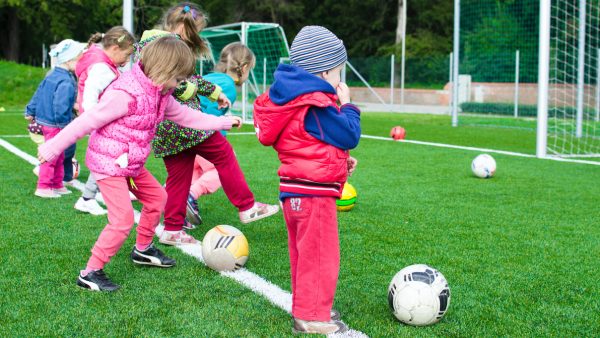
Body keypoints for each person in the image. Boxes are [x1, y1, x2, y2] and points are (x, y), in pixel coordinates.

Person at [37, 36, 242, 292]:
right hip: (109, 164)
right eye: (179, 79)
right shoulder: (125, 94)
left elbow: (185, 116)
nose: (181, 85)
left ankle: (142, 250)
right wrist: (52, 147)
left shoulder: (161, 92)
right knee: (122, 220)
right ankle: (90, 272)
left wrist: (221, 122)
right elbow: (86, 121)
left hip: (130, 164)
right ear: (164, 70)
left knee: (158, 199)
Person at [135, 2, 278, 247]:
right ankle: (247, 206)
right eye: (195, 32)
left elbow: (190, 78)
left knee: (179, 177)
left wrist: (214, 93)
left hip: (166, 128)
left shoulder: (155, 43)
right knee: (223, 153)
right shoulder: (164, 46)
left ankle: (172, 229)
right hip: (183, 123)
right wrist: (197, 93)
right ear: (183, 27)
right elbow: (174, 84)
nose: (196, 38)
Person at [253, 26, 361, 334]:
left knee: (304, 255)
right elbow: (349, 132)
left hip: (296, 190)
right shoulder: (314, 103)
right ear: (325, 71)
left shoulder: (292, 100)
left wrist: (340, 162)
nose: (340, 80)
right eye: (339, 72)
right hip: (313, 195)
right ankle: (312, 316)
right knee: (319, 256)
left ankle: (309, 306)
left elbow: (309, 143)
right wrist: (348, 105)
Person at [185, 42, 256, 226]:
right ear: (245, 67)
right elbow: (209, 113)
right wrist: (223, 122)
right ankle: (190, 196)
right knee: (220, 169)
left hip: (185, 133)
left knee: (192, 172)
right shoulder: (229, 87)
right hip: (202, 135)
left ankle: (173, 200)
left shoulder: (210, 77)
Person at [73, 26, 135, 216]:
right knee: (107, 159)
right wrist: (95, 119)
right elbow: (91, 95)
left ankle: (116, 190)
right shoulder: (102, 68)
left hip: (103, 120)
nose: (127, 61)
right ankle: (87, 198)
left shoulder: (104, 63)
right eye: (126, 54)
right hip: (101, 122)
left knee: (118, 156)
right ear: (115, 49)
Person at [25, 39, 86, 198]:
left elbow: (38, 92)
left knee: (59, 154)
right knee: (53, 155)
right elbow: (60, 105)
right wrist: (65, 126)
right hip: (56, 124)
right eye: (79, 60)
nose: (80, 64)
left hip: (48, 121)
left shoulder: (52, 74)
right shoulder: (66, 80)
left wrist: (30, 109)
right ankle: (44, 186)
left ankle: (57, 184)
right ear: (69, 60)